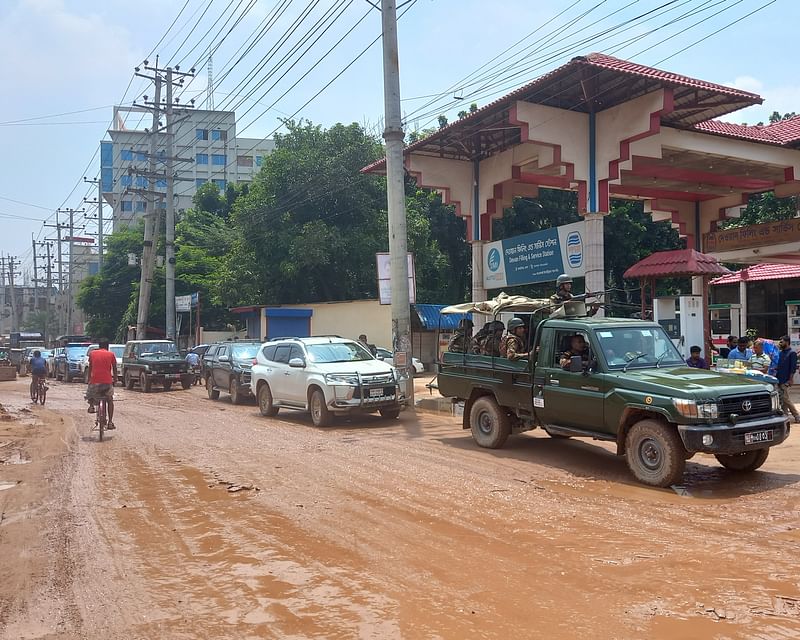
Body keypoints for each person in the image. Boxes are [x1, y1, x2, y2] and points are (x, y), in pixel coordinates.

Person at [85, 338, 119, 430]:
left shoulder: (92, 354)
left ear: (99, 346)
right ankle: (110, 422)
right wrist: (115, 379)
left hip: (95, 381)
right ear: (107, 346)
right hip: (107, 382)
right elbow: (115, 369)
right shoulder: (111, 354)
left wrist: (89, 380)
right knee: (110, 400)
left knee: (90, 394)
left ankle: (91, 406)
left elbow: (90, 368)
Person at [775, 335, 799, 423]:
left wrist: (790, 379)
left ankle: (796, 415)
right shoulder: (781, 353)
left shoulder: (792, 353)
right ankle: (785, 416)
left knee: (785, 398)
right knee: (782, 399)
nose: (780, 343)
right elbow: (781, 365)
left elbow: (792, 368)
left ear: (787, 342)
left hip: (786, 379)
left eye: (782, 342)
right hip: (779, 378)